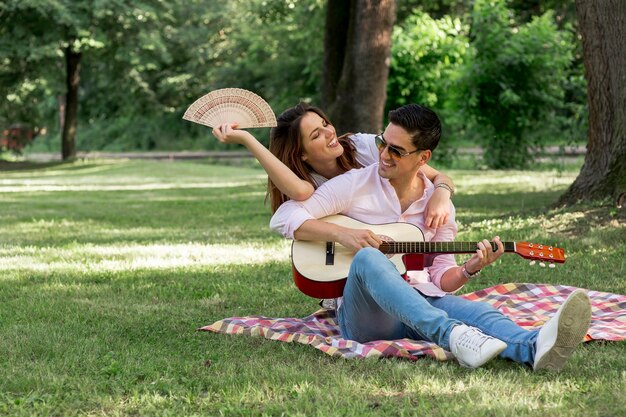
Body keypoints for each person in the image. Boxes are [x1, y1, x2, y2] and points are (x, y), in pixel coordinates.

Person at [269, 103, 592, 370]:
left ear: (422, 159)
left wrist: (471, 268)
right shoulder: (353, 183)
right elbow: (285, 216)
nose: (384, 155)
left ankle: (534, 347)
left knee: (481, 313)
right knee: (369, 257)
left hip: (418, 302)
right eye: (383, 144)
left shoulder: (439, 209)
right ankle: (453, 336)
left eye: (396, 151)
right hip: (367, 318)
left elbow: (441, 278)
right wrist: (346, 235)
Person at [211, 103, 455, 228]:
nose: (330, 133)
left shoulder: (366, 146)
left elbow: (438, 176)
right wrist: (246, 138)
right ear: (302, 155)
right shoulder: (307, 182)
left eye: (325, 123)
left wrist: (441, 195)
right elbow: (300, 193)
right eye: (316, 135)